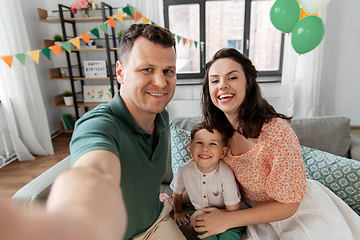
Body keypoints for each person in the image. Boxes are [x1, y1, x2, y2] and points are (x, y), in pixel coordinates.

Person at [0, 23, 185, 240]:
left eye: (168, 71)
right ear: (120, 72)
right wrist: (75, 220)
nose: (161, 82)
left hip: (157, 222)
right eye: (147, 69)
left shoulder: (162, 115)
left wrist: (152, 198)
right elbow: (95, 172)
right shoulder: (98, 125)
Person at [191, 48, 360, 240]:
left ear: (248, 83)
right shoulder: (215, 136)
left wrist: (227, 220)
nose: (222, 85)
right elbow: (208, 178)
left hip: (297, 212)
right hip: (256, 215)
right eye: (215, 80)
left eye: (232, 78)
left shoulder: (276, 132)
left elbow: (289, 205)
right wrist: (201, 212)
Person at [170, 121, 243, 240]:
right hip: (203, 218)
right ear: (191, 147)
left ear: (222, 152)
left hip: (228, 216)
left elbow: (233, 212)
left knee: (228, 235)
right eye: (199, 142)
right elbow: (177, 192)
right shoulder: (184, 170)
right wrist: (178, 211)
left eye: (212, 144)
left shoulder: (225, 174)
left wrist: (218, 219)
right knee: (206, 234)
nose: (205, 148)